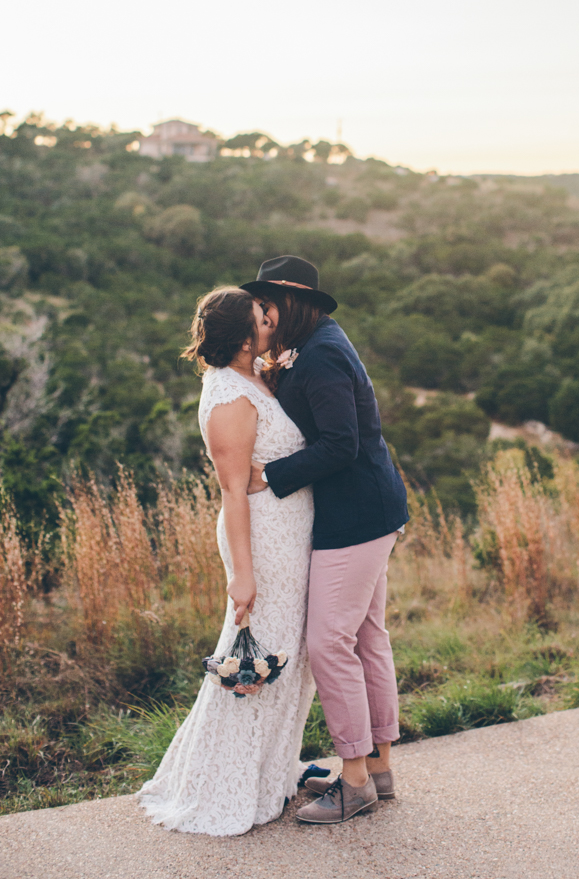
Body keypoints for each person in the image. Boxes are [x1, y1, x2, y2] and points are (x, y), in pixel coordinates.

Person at [138, 286, 315, 835]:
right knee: (259, 659)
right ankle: (225, 786)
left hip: (288, 534)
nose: (272, 323)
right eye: (265, 319)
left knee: (290, 658)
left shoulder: (252, 376)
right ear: (243, 338)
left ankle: (272, 775)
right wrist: (243, 574)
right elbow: (233, 492)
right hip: (262, 542)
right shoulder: (228, 398)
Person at [241, 255, 409, 824]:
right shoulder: (313, 346)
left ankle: (355, 782)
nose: (261, 313)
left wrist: (270, 477)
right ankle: (378, 769)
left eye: (267, 303)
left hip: (353, 517)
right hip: (371, 508)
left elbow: (341, 443)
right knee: (366, 637)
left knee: (328, 643)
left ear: (292, 303)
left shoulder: (323, 354)